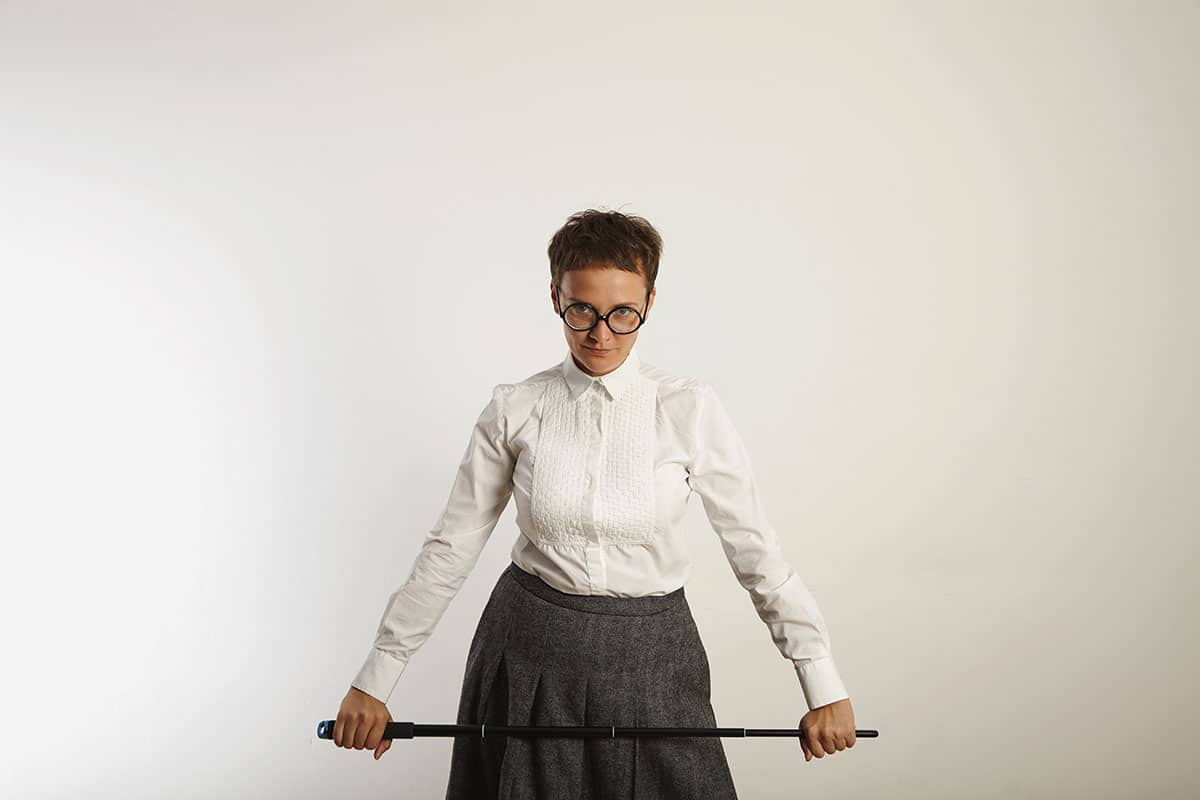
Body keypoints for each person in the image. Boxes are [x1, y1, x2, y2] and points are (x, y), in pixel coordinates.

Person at [332, 209, 857, 797]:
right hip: (527, 657)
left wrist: (822, 682)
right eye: (582, 310)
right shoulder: (514, 407)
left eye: (622, 313)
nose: (601, 333)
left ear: (650, 302)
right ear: (556, 298)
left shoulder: (689, 408)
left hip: (655, 661)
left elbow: (756, 552)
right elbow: (449, 550)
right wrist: (375, 681)